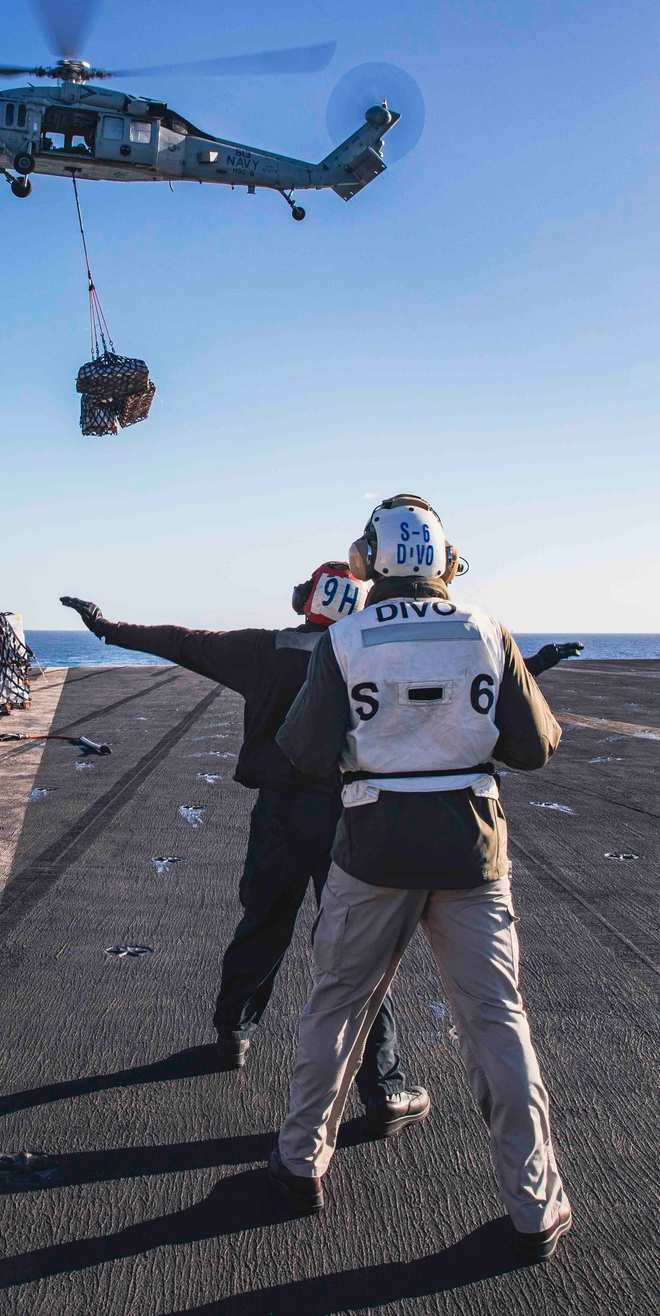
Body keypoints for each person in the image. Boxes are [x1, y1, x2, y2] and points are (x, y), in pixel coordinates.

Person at [267, 494, 572, 1266]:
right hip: (472, 846)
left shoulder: (343, 637)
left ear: (368, 559)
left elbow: (303, 751)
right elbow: (534, 748)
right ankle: (535, 1205)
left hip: (373, 846)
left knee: (338, 1003)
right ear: (446, 560)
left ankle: (302, 1163)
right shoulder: (487, 629)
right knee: (497, 1020)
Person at [60, 570, 431, 1138]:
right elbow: (442, 695)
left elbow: (182, 642)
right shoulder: (373, 656)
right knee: (359, 950)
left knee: (262, 922)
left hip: (279, 814)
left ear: (304, 601)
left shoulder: (264, 649)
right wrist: (526, 671)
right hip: (351, 816)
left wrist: (107, 629)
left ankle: (234, 1032)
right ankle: (383, 1086)